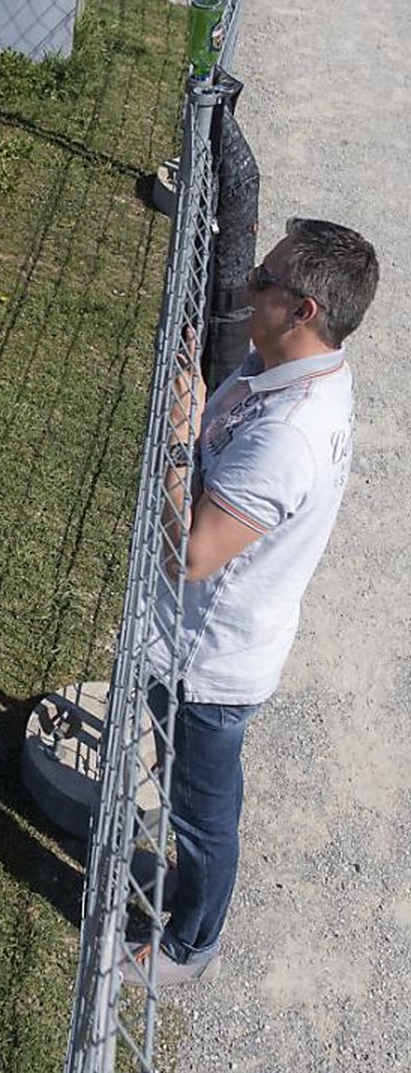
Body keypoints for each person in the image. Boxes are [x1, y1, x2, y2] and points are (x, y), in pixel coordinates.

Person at [127, 218, 379, 985]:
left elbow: (193, 554)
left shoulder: (288, 437)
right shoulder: (298, 369)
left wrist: (175, 436)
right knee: (189, 792)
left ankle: (188, 946)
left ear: (303, 310)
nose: (246, 288)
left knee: (202, 817)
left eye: (263, 281)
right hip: (211, 640)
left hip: (210, 663)